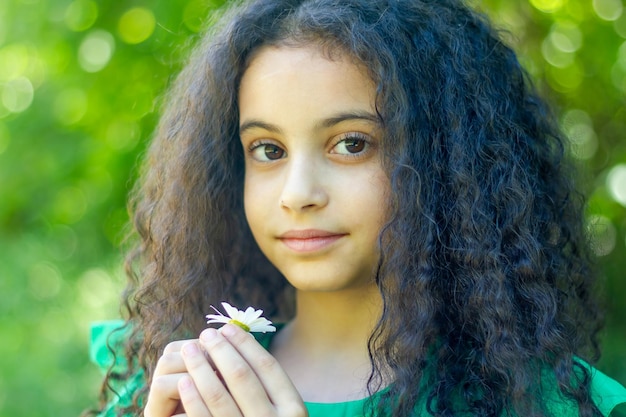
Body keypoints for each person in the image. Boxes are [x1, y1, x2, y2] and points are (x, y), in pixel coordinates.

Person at [85, 0, 626, 416]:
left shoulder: (550, 404)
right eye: (268, 151)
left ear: (444, 161)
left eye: (352, 144)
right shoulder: (171, 382)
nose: (297, 193)